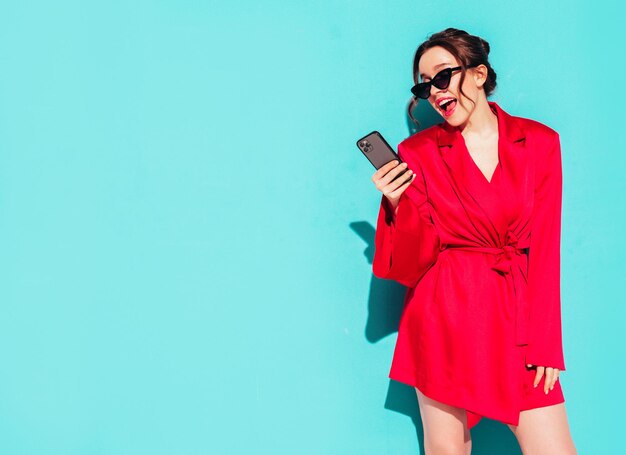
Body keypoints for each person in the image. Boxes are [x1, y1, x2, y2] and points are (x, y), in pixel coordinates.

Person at [371, 28, 577, 454]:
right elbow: (412, 264)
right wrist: (396, 206)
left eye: (442, 77)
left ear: (479, 74)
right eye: (424, 85)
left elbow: (545, 252)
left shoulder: (540, 143)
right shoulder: (419, 153)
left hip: (516, 317)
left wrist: (547, 344)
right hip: (443, 319)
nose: (434, 91)